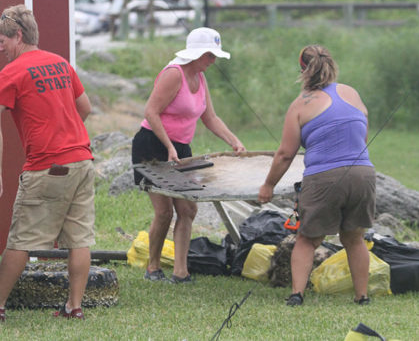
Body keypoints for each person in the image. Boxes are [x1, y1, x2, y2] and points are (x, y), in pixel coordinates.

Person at [258, 45, 376, 306]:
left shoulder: (300, 105)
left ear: (303, 70)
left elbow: (285, 155)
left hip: (324, 178)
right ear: (331, 65)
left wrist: (268, 185)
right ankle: (362, 297)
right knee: (355, 238)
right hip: (363, 174)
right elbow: (362, 135)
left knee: (307, 239)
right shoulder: (351, 93)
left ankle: (297, 295)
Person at [0, 5, 95, 321]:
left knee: (20, 240)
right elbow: (85, 107)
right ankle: (74, 307)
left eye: (2, 39)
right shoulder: (61, 64)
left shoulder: (12, 72)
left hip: (46, 167)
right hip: (82, 161)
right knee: (79, 240)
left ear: (18, 35)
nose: (0, 46)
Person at [132, 27, 245, 283]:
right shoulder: (174, 74)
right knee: (164, 212)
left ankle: (180, 272)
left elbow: (210, 117)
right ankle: (153, 267)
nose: (213, 60)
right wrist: (168, 146)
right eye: (210, 55)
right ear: (196, 54)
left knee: (188, 209)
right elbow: (151, 112)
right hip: (152, 146)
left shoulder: (200, 77)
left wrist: (234, 141)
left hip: (181, 149)